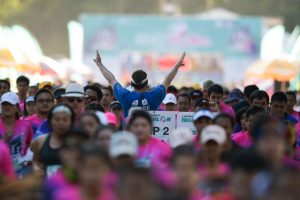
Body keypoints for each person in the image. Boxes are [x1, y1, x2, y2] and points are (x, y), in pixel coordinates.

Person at [94, 50, 185, 117]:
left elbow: (111, 79)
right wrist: (176, 66)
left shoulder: (124, 96)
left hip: (129, 138)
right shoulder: (155, 95)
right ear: (147, 84)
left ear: (132, 84)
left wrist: (99, 64)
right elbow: (167, 80)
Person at [31, 104, 75, 177]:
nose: (61, 123)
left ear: (71, 122)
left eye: (65, 119)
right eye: (57, 119)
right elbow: (36, 161)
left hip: (70, 186)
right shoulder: (41, 141)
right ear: (50, 121)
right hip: (47, 186)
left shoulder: (77, 142)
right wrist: (36, 168)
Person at [0, 92, 33, 176]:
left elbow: (32, 146)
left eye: (11, 104)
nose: (7, 107)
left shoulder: (26, 125)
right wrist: (3, 140)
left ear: (17, 108)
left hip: (22, 172)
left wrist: (28, 159)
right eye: (4, 104)